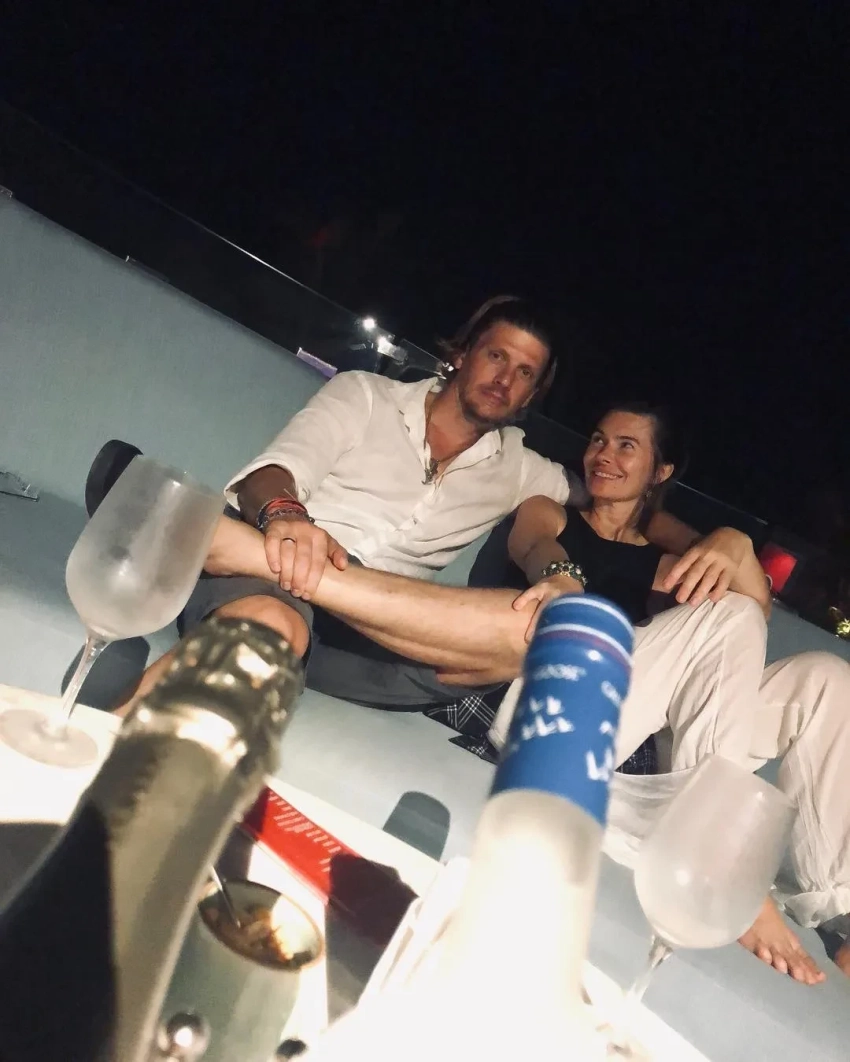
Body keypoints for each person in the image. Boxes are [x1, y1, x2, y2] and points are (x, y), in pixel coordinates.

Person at [121, 296, 699, 711]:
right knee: (269, 627)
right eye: (496, 356)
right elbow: (271, 476)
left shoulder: (521, 468)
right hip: (276, 580)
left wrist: (716, 544)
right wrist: (285, 516)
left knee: (537, 630)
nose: (505, 379)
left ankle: (229, 545)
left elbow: (614, 491)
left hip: (374, 638)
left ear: (532, 394)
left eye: (525, 373)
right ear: (464, 353)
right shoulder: (365, 395)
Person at [491, 400, 850, 983]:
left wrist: (732, 540)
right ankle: (714, 854)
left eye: (626, 446)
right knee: (728, 613)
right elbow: (535, 546)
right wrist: (559, 576)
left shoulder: (667, 556)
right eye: (599, 439)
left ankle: (838, 913)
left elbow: (756, 609)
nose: (604, 455)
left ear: (661, 471)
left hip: (641, 734)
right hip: (555, 712)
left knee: (826, 679)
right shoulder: (553, 514)